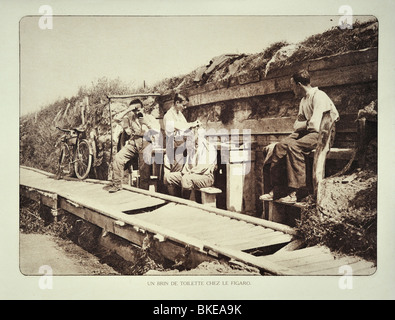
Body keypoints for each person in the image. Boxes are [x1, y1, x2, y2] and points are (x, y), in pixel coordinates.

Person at [260, 69, 339, 203]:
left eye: (292, 85)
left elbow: (315, 125)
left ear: (299, 85)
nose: (292, 89)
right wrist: (306, 124)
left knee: (293, 146)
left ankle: (299, 191)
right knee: (279, 146)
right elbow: (297, 125)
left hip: (323, 134)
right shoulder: (303, 100)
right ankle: (278, 190)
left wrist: (305, 124)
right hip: (309, 132)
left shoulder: (319, 96)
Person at [105, 98, 160, 193]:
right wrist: (128, 110)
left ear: (143, 108)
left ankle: (144, 192)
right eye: (135, 110)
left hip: (146, 142)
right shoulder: (130, 118)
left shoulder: (149, 117)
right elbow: (116, 119)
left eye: (138, 109)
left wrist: (147, 123)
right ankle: (117, 185)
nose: (137, 112)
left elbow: (157, 132)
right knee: (118, 158)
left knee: (144, 171)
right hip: (134, 142)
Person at [162, 93, 201, 195]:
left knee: (181, 173)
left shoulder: (179, 114)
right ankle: (174, 199)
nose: (184, 107)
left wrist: (193, 127)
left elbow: (185, 126)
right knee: (175, 174)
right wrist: (191, 124)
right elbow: (179, 126)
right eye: (183, 105)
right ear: (176, 102)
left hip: (182, 145)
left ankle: (179, 199)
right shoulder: (168, 116)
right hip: (174, 146)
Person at [164, 127, 217, 200]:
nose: (187, 140)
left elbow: (203, 168)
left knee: (186, 179)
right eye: (185, 138)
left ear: (196, 136)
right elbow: (187, 167)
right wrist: (185, 173)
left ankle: (185, 204)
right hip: (190, 175)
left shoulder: (208, 147)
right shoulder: (191, 146)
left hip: (206, 177)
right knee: (168, 177)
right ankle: (175, 201)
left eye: (188, 138)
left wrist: (188, 173)